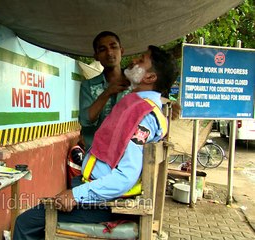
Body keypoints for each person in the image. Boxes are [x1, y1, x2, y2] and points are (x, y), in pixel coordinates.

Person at [13, 45, 178, 240]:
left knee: (25, 223)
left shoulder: (142, 115)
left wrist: (75, 195)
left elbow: (126, 177)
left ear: (150, 78)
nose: (134, 61)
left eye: (141, 60)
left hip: (107, 203)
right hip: (96, 190)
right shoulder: (138, 104)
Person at [79, 31, 130, 151]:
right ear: (96, 56)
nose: (109, 53)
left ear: (121, 51)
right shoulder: (88, 85)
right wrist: (108, 92)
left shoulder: (134, 83)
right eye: (102, 49)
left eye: (113, 47)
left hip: (127, 158)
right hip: (97, 157)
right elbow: (85, 120)